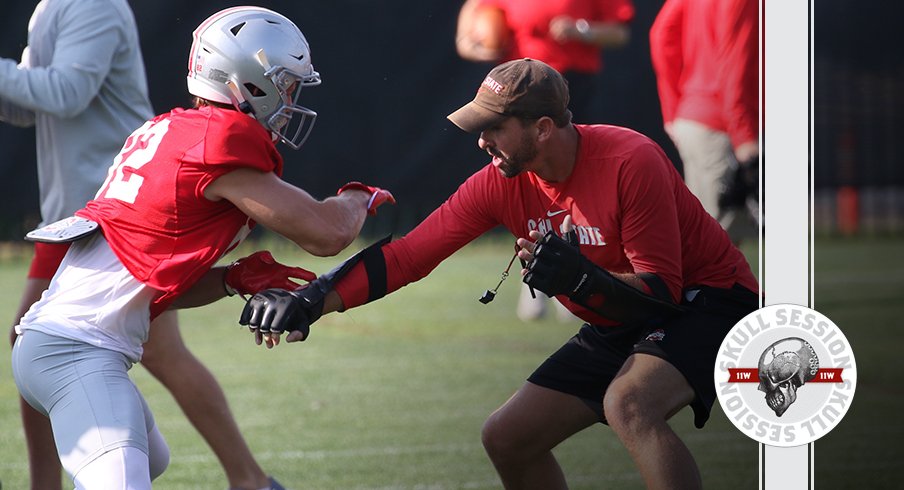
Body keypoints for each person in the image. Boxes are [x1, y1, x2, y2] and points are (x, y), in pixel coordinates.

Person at [241, 58, 760, 489]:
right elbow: (408, 257)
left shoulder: (630, 160)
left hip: (709, 301)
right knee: (507, 437)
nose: (481, 142)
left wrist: (579, 281)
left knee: (629, 404)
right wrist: (314, 297)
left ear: (542, 128)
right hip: (619, 313)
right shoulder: (499, 182)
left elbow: (661, 294)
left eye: (493, 128)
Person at [9, 5, 394, 489]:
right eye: (287, 84)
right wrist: (357, 198)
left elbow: (154, 290)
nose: (291, 98)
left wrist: (232, 280)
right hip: (75, 351)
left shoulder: (172, 129)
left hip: (63, 346)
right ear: (250, 82)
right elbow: (326, 233)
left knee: (150, 462)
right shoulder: (219, 140)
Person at [455, 0, 634, 321]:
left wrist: (580, 29)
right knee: (525, 182)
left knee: (578, 180)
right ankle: (535, 267)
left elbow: (619, 33)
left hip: (570, 85)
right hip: (516, 93)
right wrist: (474, 44)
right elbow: (471, 23)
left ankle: (582, 270)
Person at [649, 0, 759, 243]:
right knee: (717, 248)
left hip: (697, 123)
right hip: (722, 128)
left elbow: (661, 34)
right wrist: (744, 135)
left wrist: (673, 110)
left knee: (704, 243)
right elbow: (735, 61)